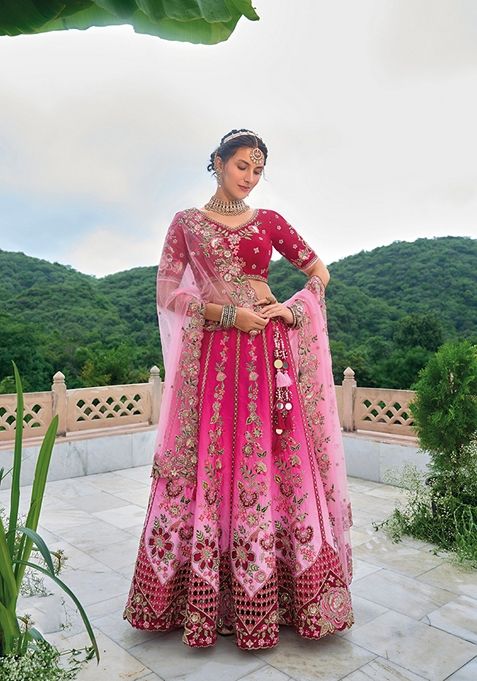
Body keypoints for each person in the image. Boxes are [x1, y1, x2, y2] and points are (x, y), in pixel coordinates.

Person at [123, 129, 354, 650]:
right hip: (215, 360)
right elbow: (165, 292)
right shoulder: (186, 224)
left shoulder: (268, 222)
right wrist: (226, 313)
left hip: (268, 357)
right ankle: (199, 597)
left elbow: (319, 270)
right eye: (242, 166)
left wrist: (290, 309)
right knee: (214, 461)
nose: (250, 177)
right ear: (217, 162)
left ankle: (287, 593)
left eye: (258, 169)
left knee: (275, 459)